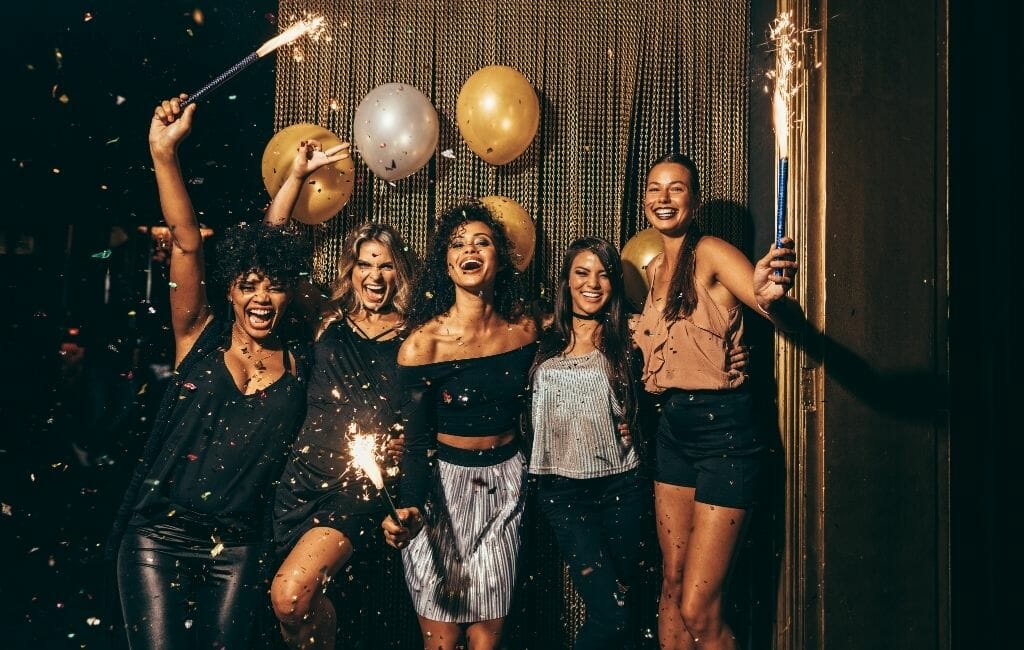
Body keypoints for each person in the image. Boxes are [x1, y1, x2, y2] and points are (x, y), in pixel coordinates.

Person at [110, 96, 310, 649]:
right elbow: (186, 238)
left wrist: (293, 181)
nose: (261, 297)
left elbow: (266, 246)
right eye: (247, 285)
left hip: (238, 547)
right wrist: (163, 153)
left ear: (288, 292)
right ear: (228, 289)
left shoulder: (299, 361)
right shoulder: (197, 335)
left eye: (273, 286)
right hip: (158, 537)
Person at [633, 153, 800, 650]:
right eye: (655, 188)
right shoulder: (656, 268)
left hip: (725, 433)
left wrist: (771, 297)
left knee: (699, 609)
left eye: (676, 188)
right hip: (673, 431)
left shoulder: (709, 251)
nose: (664, 198)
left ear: (695, 199)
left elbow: (771, 308)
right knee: (671, 584)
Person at [264, 139, 417, 649]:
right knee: (303, 611)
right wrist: (296, 177)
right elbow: (273, 249)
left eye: (386, 265)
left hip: (359, 487)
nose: (375, 276)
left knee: (290, 596)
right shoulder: (324, 318)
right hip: (300, 481)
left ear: (400, 273)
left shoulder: (418, 335)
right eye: (365, 264)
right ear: (350, 269)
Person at [381, 200, 538, 650]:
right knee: (443, 643)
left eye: (482, 241)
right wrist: (409, 507)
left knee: (487, 641)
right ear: (446, 263)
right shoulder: (422, 346)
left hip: (506, 486)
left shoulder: (526, 330)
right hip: (441, 492)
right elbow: (413, 444)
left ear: (499, 257)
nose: (469, 249)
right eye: (457, 244)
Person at [527, 237, 650, 648]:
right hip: (561, 492)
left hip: (622, 486)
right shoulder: (538, 337)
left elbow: (675, 380)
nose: (592, 283)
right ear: (565, 281)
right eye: (582, 272)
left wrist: (641, 425)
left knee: (624, 606)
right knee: (611, 610)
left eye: (603, 274)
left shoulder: (632, 336)